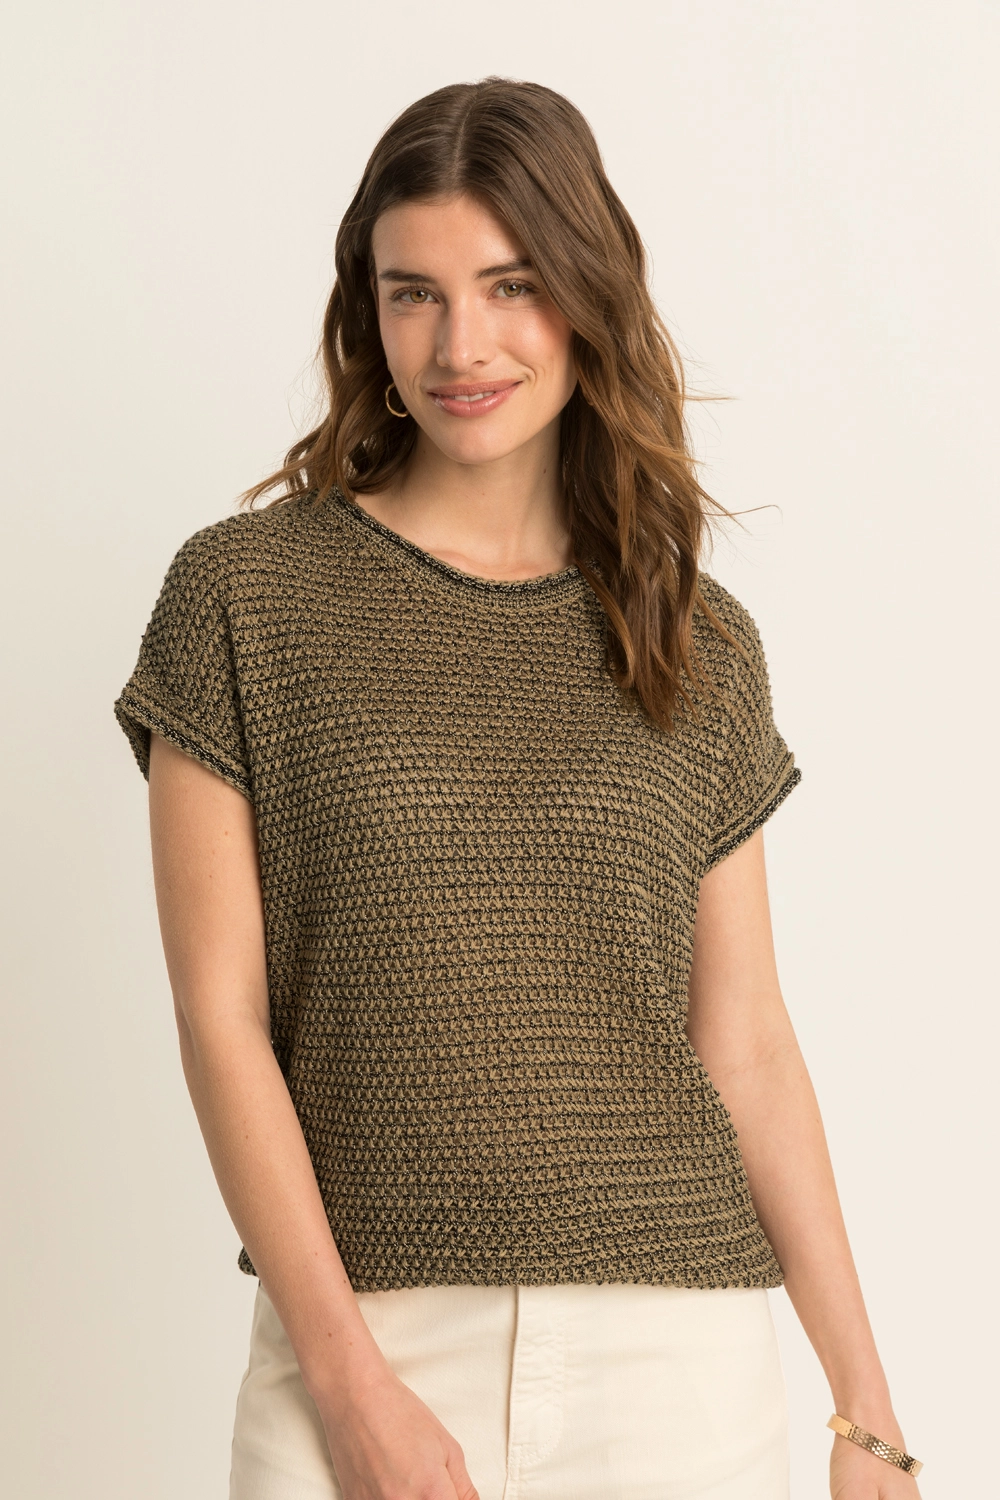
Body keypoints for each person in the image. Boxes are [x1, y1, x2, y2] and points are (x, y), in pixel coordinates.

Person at [115, 78, 922, 1500]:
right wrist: (348, 1386)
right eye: (413, 294)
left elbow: (745, 1042)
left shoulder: (693, 637)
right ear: (367, 312)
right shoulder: (246, 597)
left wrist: (867, 1413)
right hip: (365, 1341)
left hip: (674, 1372)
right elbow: (218, 1020)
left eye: (511, 285)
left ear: (587, 297)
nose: (461, 345)